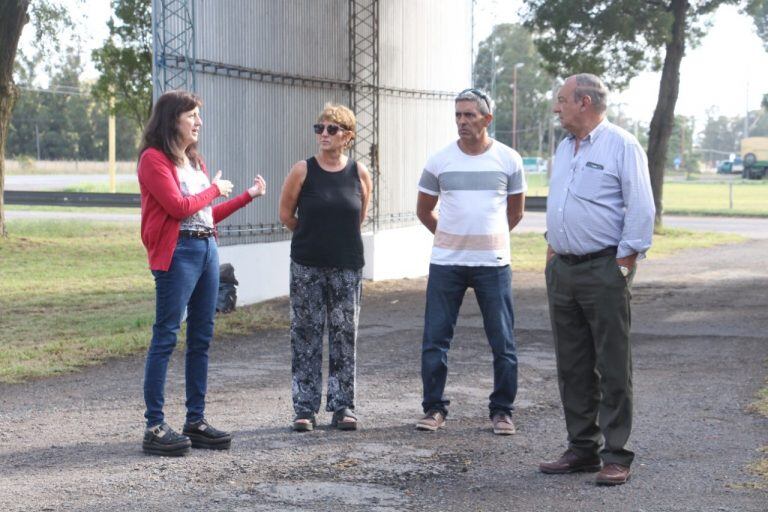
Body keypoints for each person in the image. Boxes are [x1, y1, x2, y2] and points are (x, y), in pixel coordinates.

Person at [539, 74, 655, 485]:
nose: (556, 107)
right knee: (572, 365)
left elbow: (641, 207)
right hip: (564, 269)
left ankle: (617, 454)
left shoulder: (621, 144)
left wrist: (622, 265)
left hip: (603, 268)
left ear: (584, 102)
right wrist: (553, 250)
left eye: (561, 100)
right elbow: (561, 203)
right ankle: (582, 449)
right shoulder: (565, 148)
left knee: (612, 364)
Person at [138, 90, 266, 456]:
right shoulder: (153, 160)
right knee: (165, 336)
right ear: (172, 119)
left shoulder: (195, 161)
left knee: (201, 338)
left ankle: (195, 420)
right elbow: (179, 208)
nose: (199, 123)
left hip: (206, 247)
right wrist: (213, 190)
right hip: (177, 251)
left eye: (198, 116)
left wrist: (245, 195)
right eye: (192, 115)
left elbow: (205, 215)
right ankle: (155, 426)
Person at [415, 88, 526, 435]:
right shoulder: (439, 160)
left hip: (493, 264)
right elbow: (423, 209)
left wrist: (487, 239)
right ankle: (434, 409)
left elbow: (516, 212)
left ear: (487, 119)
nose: (462, 121)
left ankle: (502, 410)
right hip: (447, 263)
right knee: (435, 339)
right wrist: (451, 237)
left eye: (469, 115)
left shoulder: (509, 160)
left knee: (502, 340)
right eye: (458, 116)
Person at [278, 103, 372, 432]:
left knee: (344, 336)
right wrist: (312, 237)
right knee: (306, 335)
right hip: (307, 266)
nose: (324, 135)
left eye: (331, 129)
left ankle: (343, 405)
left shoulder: (359, 173)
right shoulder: (302, 170)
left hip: (347, 265)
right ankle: (304, 408)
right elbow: (287, 215)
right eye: (319, 129)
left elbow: (358, 216)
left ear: (347, 136)